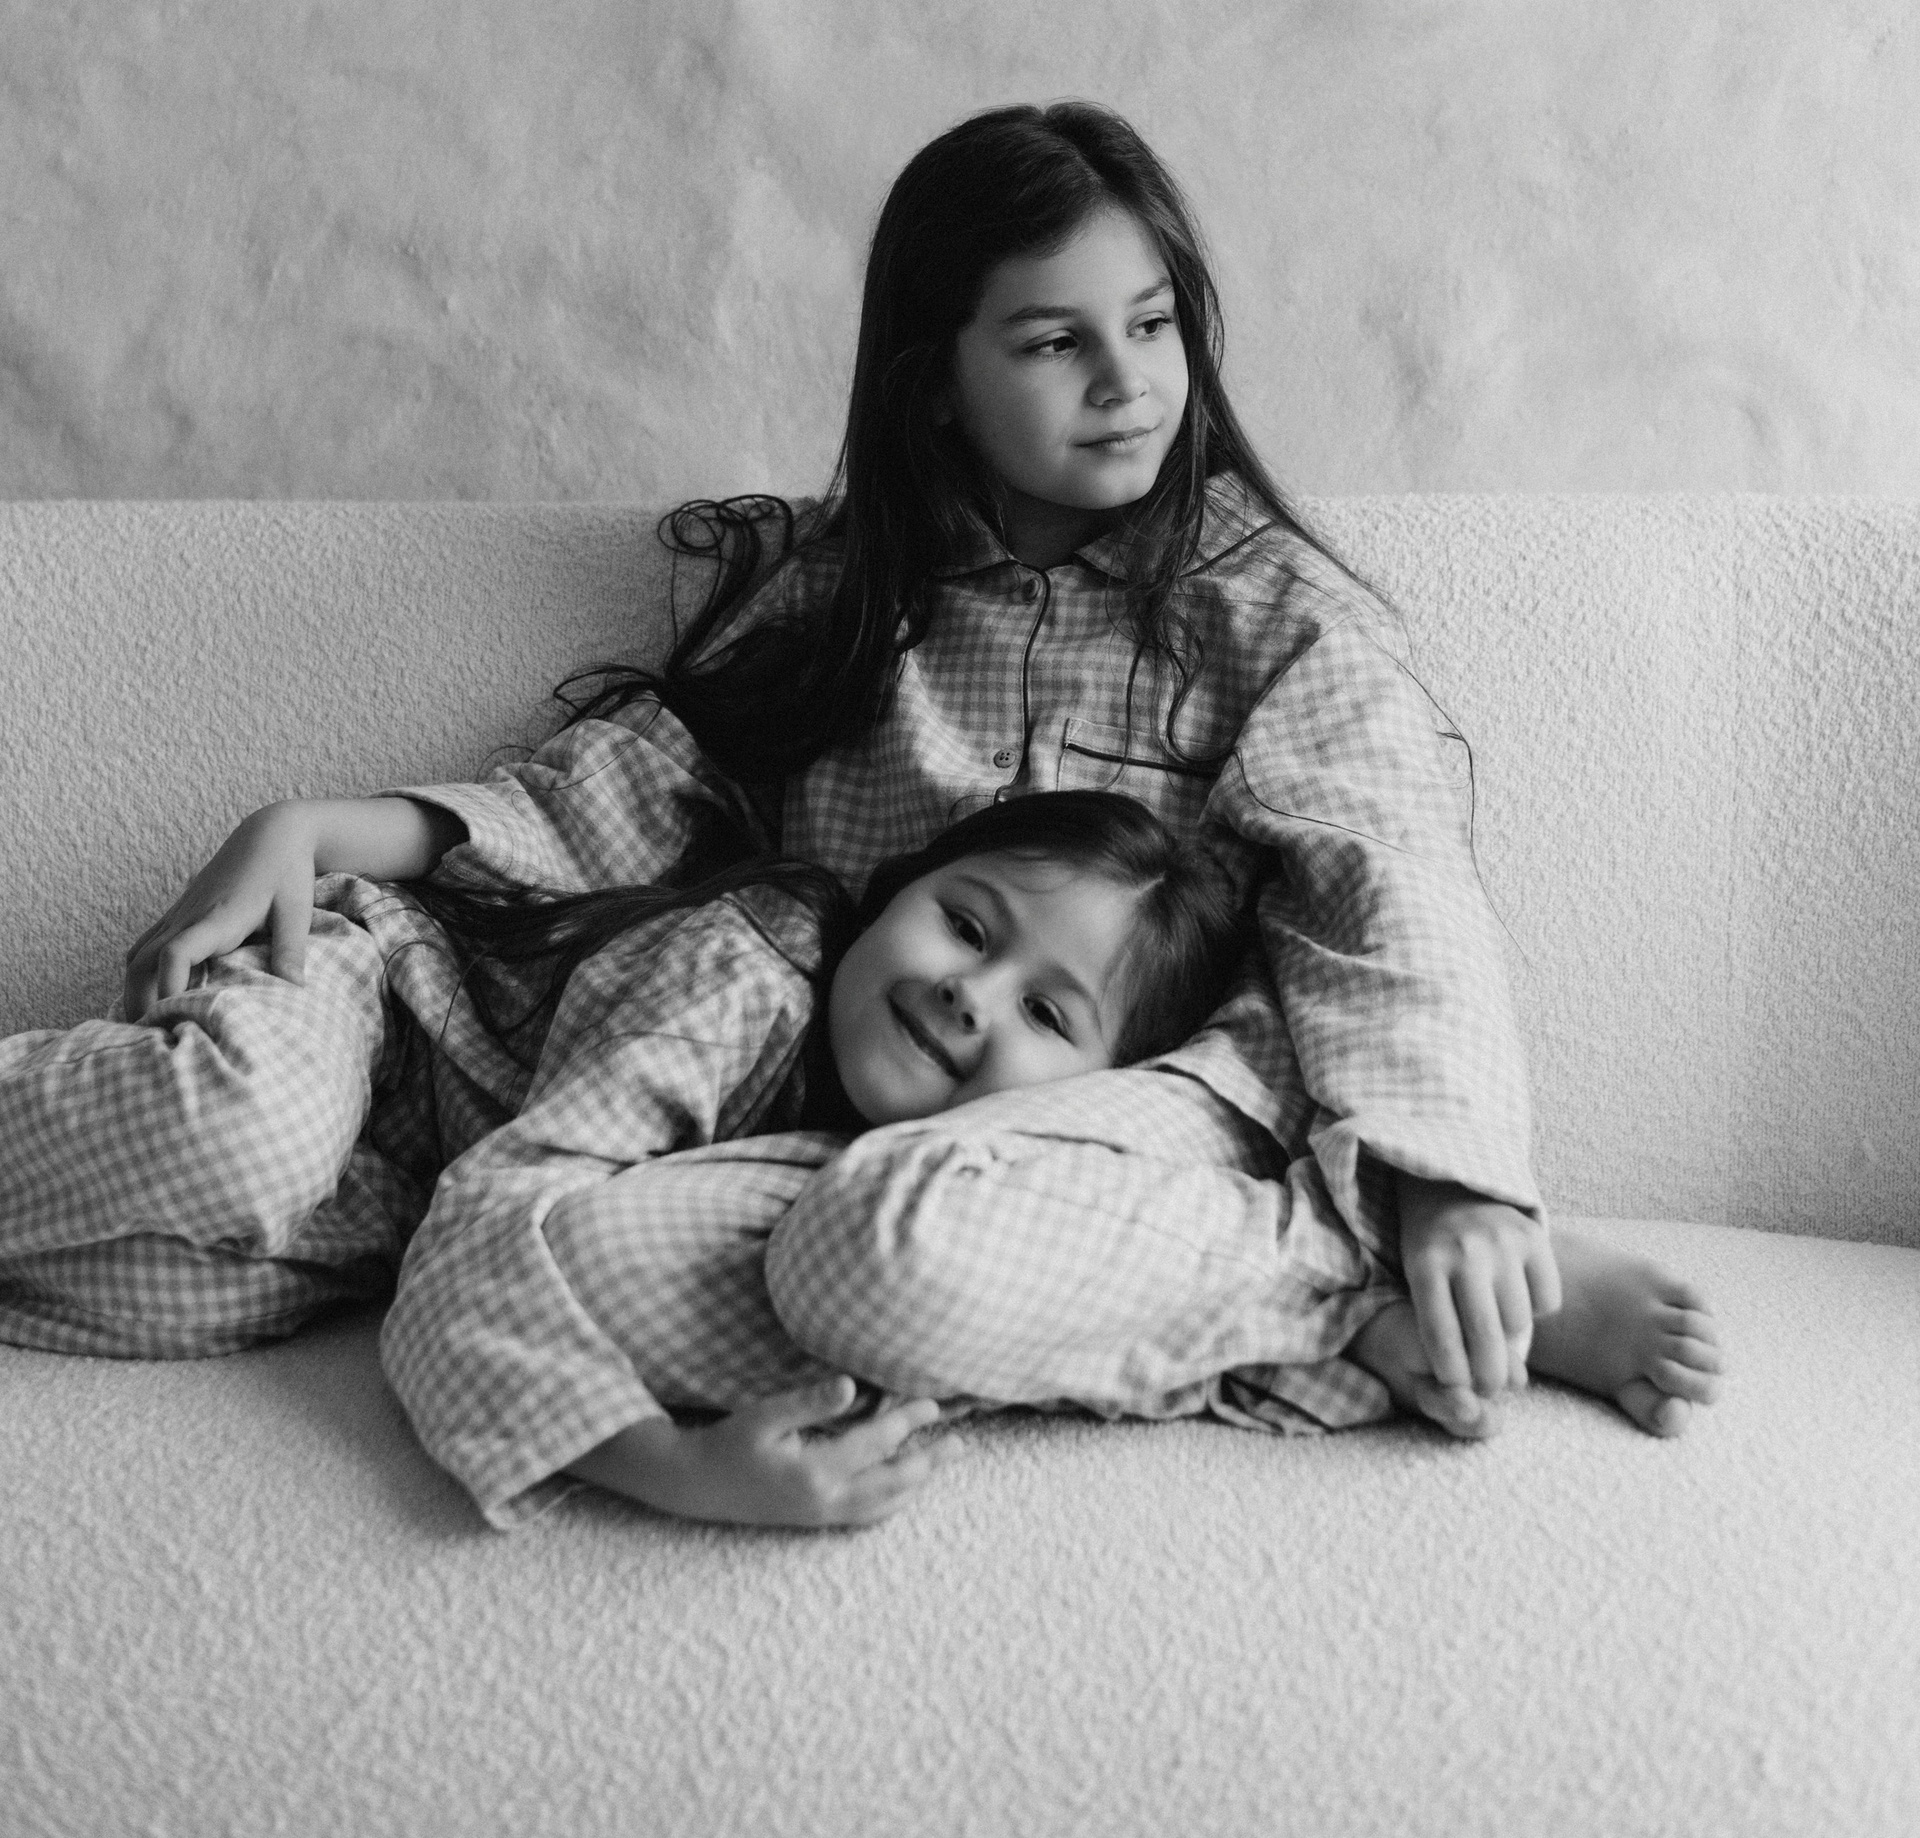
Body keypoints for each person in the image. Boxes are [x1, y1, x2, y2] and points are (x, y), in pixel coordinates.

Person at [114, 101, 1721, 1475]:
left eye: (1153, 324)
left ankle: (1380, 1267)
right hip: (840, 1139)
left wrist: (1447, 1184)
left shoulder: (1276, 615)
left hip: (1133, 1122)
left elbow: (1387, 885)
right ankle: (1321, 1315)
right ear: (937, 377)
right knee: (625, 1251)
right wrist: (325, 825)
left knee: (895, 1243)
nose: (1125, 381)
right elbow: (623, 794)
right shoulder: (844, 596)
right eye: (1055, 341)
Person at [0, 792, 1262, 1527]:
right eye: (967, 926)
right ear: (893, 892)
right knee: (243, 1139)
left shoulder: (901, 1176)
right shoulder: (746, 974)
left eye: (1046, 1013)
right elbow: (497, 1216)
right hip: (360, 1008)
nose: (969, 994)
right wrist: (670, 1464)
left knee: (155, 1287)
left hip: (378, 1202)